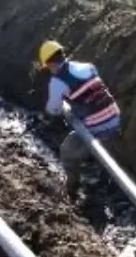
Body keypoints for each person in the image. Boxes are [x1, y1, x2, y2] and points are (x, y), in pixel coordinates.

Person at [37, 40, 122, 198]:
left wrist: (61, 104)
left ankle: (72, 187)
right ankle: (106, 181)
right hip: (115, 117)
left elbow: (53, 109)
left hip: (95, 127)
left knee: (67, 151)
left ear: (50, 64)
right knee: (108, 154)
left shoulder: (57, 82)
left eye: (48, 68)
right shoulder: (88, 66)